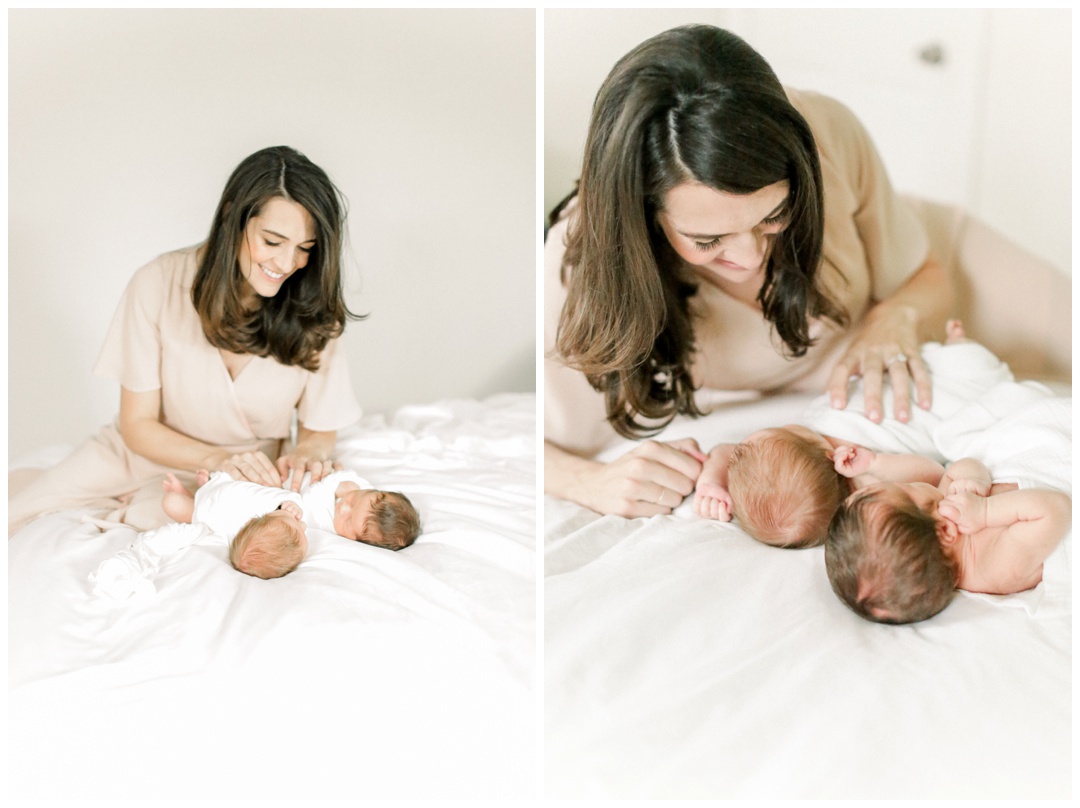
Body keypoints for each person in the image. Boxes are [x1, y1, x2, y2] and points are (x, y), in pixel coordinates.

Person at [545, 23, 962, 518]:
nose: (748, 258)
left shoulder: (828, 131)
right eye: (708, 240)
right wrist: (590, 482)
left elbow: (931, 277)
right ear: (643, 216)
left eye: (773, 218)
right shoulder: (584, 254)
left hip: (930, 238)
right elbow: (539, 440)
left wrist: (896, 316)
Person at [9, 146, 364, 535]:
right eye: (272, 241)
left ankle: (140, 508)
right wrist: (215, 457)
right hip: (139, 455)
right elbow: (137, 424)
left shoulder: (313, 309)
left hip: (244, 479)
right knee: (15, 518)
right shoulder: (158, 282)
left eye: (305, 249)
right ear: (233, 215)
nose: (286, 263)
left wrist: (305, 457)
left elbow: (318, 427)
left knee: (169, 535)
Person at [826, 459, 1072, 624]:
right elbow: (1055, 509)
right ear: (945, 530)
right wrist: (985, 511)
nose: (917, 484)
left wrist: (973, 479)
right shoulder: (991, 566)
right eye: (908, 487)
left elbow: (960, 466)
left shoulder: (943, 509)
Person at [694, 425, 945, 549]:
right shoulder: (864, 478)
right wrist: (877, 463)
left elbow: (722, 452)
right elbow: (935, 474)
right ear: (826, 453)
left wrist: (711, 482)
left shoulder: (803, 447)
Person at [162, 468, 422, 553]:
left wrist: (334, 487)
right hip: (274, 483)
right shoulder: (358, 489)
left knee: (183, 510)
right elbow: (343, 476)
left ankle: (187, 500)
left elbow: (309, 498)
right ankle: (207, 487)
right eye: (354, 500)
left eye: (347, 517)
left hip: (272, 502)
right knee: (237, 484)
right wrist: (345, 484)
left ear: (354, 538)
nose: (342, 506)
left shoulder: (324, 523)